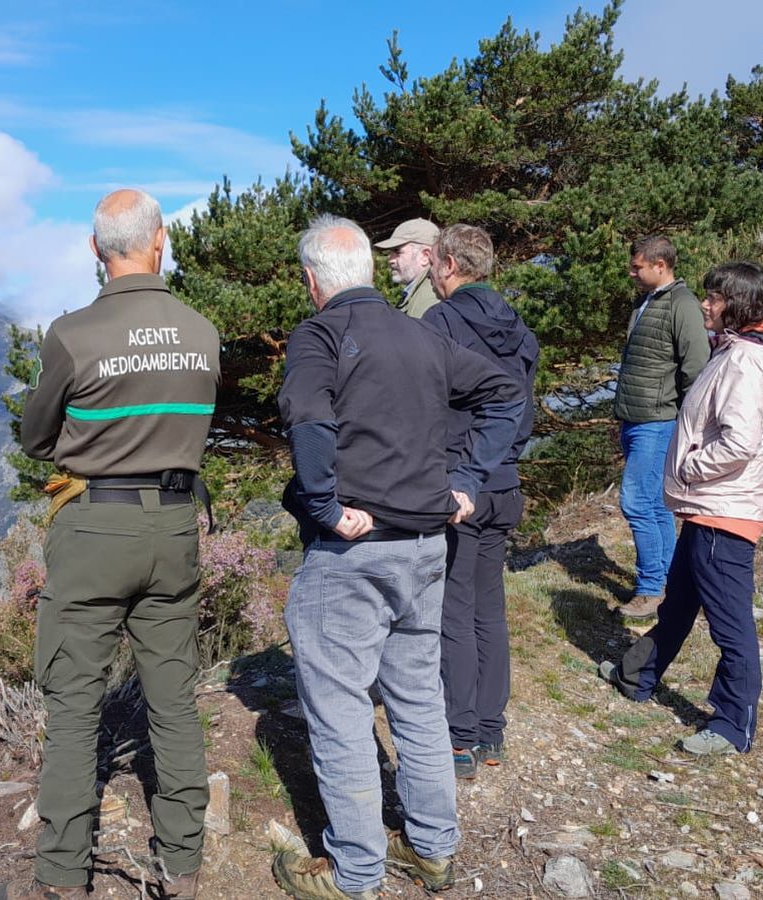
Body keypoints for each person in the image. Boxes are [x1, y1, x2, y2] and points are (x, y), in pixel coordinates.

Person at [271, 214, 522, 900]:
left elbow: (310, 420)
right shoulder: (422, 332)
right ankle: (433, 851)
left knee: (341, 710)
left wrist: (322, 507)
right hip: (425, 547)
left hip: (353, 551)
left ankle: (354, 872)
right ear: (371, 272)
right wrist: (466, 483)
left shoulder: (319, 335)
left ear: (311, 280)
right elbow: (506, 394)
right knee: (417, 698)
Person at [2, 189, 220, 900]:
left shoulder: (72, 334)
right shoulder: (201, 331)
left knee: (74, 708)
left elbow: (36, 438)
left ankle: (64, 879)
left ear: (96, 250)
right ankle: (181, 868)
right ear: (160, 241)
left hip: (94, 527)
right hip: (175, 528)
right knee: (173, 699)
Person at [598, 261, 763, 756]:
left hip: (723, 509)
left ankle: (733, 725)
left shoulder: (746, 361)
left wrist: (688, 468)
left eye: (714, 298)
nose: (705, 305)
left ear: (739, 304)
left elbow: (740, 443)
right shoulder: (735, 351)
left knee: (730, 624)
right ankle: (637, 675)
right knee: (681, 602)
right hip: (711, 506)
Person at [419, 224, 538, 779]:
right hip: (504, 480)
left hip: (458, 482)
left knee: (454, 610)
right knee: (490, 609)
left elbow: (423, 406)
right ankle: (492, 731)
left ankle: (458, 739)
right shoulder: (517, 326)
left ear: (446, 263)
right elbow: (519, 405)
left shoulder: (439, 323)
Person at [613, 235, 711, 619]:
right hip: (635, 419)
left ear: (660, 266)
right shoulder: (646, 301)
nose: (632, 272)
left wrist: (692, 431)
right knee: (654, 504)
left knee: (636, 501)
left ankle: (652, 590)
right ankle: (672, 585)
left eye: (638, 266)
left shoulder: (682, 305)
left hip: (658, 421)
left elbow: (696, 370)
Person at [373, 218, 441, 318]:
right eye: (391, 252)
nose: (391, 260)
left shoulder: (429, 298)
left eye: (397, 251)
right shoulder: (419, 291)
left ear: (425, 256)